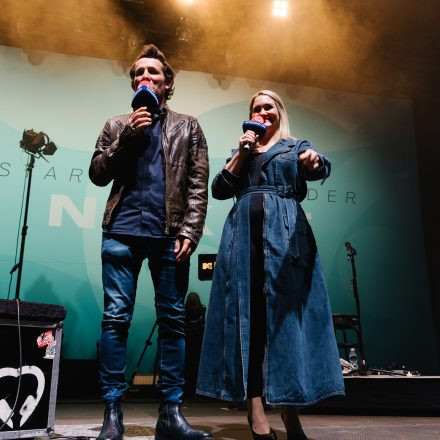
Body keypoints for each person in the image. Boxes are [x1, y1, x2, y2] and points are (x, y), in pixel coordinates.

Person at [197, 90, 344, 440]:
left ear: (279, 113)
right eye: (256, 108)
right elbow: (219, 189)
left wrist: (313, 162)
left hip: (286, 243)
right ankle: (256, 412)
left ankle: (292, 416)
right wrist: (243, 153)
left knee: (285, 326)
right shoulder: (242, 152)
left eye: (269, 107)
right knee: (250, 325)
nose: (262, 112)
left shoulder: (295, 147)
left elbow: (319, 164)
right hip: (241, 243)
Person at [89, 44, 211, 440]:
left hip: (168, 238)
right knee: (115, 321)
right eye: (139, 72)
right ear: (133, 81)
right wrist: (127, 135)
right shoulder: (115, 124)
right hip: (121, 234)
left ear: (167, 82)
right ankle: (112, 413)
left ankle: (171, 414)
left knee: (174, 323)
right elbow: (97, 174)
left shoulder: (189, 126)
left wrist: (191, 230)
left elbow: (197, 186)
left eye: (153, 73)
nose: (145, 77)